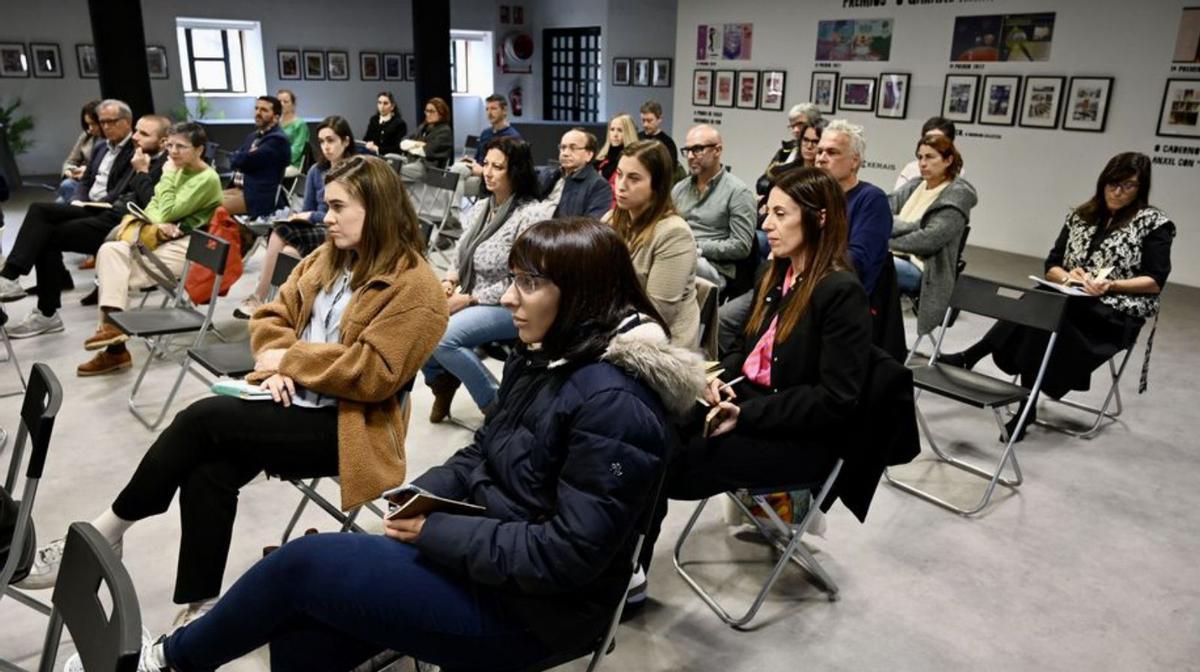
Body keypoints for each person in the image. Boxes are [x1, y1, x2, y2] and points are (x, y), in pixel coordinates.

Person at [101, 218, 703, 672]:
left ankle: (162, 663)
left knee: (300, 567)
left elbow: (568, 556)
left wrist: (437, 532)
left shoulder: (615, 403)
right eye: (512, 280)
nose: (509, 298)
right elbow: (481, 454)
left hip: (537, 613)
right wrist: (424, 496)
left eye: (529, 283)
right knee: (304, 628)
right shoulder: (546, 360)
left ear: (582, 296)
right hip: (486, 562)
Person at [20, 156, 449, 636]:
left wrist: (288, 361)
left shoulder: (417, 287)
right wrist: (277, 360)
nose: (324, 217)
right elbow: (269, 316)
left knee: (202, 419)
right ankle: (200, 604)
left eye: (336, 206)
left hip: (348, 430)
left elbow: (373, 373)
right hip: (287, 400)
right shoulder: (329, 257)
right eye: (326, 206)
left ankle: (106, 530)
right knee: (209, 472)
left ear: (378, 209)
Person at [638, 167, 873, 585]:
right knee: (651, 429)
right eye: (769, 212)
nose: (767, 224)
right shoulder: (776, 272)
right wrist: (717, 379)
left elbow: (835, 399)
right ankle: (627, 568)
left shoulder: (840, 292)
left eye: (781, 214)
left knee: (674, 463)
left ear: (819, 219)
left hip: (804, 438)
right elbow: (744, 353)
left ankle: (627, 574)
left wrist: (745, 415)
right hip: (753, 405)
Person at [938, 153, 1174, 441]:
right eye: (1112, 184)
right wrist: (1067, 278)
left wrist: (1110, 285)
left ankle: (974, 356)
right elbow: (1052, 265)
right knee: (1045, 309)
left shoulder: (1153, 224)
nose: (1117, 191)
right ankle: (1025, 405)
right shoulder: (1081, 216)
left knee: (1045, 311)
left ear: (1141, 188)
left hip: (1114, 314)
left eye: (1128, 186)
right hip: (1071, 300)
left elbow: (1155, 281)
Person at [1, 115, 170, 338]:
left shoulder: (164, 165)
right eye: (137, 131)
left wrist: (141, 172)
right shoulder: (140, 153)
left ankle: (44, 311)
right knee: (39, 210)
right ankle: (11, 279)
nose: (136, 137)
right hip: (110, 209)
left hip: (124, 224)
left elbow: (154, 207)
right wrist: (97, 202)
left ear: (164, 140)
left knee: (46, 236)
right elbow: (115, 187)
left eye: (144, 134)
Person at [76, 122, 224, 376]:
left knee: (115, 271)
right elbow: (153, 209)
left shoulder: (206, 178)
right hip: (165, 240)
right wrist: (162, 218)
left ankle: (115, 349)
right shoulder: (179, 169)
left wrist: (166, 180)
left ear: (199, 150)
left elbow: (163, 211)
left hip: (191, 248)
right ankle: (113, 331)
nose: (173, 152)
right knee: (111, 250)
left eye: (181, 146)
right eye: (170, 145)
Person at [424, 137, 555, 422]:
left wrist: (470, 298)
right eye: (486, 164)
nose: (488, 172)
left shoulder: (530, 214)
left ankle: (496, 405)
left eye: (499, 167)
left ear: (516, 171)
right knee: (420, 323)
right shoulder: (482, 206)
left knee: (443, 338)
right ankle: (441, 383)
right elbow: (461, 254)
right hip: (470, 294)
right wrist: (449, 281)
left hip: (510, 304)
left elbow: (520, 278)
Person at [234, 115, 357, 319]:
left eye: (331, 140)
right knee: (288, 250)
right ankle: (281, 307)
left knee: (282, 236)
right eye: (322, 141)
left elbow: (349, 214)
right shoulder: (316, 171)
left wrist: (312, 216)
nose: (326, 147)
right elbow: (308, 207)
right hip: (317, 227)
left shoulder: (356, 170)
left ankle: (261, 297)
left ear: (345, 141)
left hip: (340, 230)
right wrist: (302, 217)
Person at [608, 139, 699, 347]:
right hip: (617, 329)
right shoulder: (612, 219)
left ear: (656, 186)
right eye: (619, 175)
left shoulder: (674, 234)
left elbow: (655, 315)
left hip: (659, 349)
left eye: (634, 178)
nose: (621, 185)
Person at [889, 134, 977, 336]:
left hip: (925, 269)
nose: (922, 163)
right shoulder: (915, 184)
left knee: (867, 261)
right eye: (920, 157)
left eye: (930, 157)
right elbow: (882, 211)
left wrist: (884, 239)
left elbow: (928, 240)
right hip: (895, 256)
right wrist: (912, 226)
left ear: (948, 160)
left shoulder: (957, 194)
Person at [671, 124, 756, 291]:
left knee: (674, 268)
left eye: (697, 149)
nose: (689, 156)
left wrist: (697, 247)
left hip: (713, 267)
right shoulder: (679, 189)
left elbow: (741, 246)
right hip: (679, 254)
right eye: (687, 150)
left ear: (717, 150)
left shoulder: (738, 192)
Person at [446, 94, 522, 225]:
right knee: (455, 171)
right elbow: (479, 158)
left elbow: (511, 171)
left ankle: (452, 219)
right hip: (477, 173)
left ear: (504, 111)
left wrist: (483, 170)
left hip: (491, 179)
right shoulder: (485, 133)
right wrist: (470, 161)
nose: (489, 113)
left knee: (450, 183)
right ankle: (452, 217)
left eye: (493, 108)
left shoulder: (512, 137)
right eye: (487, 109)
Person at [222, 96, 291, 218]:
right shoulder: (253, 136)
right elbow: (234, 160)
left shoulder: (278, 140)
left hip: (259, 196)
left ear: (276, 117)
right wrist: (243, 156)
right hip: (240, 188)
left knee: (213, 208)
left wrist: (242, 157)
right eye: (256, 108)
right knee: (203, 201)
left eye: (264, 110)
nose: (258, 113)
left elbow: (242, 160)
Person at [539, 128, 611, 219]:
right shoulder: (549, 175)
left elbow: (591, 226)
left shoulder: (599, 186)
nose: (565, 153)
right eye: (563, 147)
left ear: (589, 154)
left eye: (573, 148)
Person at [396, 97, 455, 184]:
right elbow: (403, 143)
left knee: (394, 172)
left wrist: (413, 146)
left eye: (432, 111)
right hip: (411, 161)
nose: (428, 114)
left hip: (428, 167)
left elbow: (426, 151)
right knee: (389, 160)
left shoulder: (445, 131)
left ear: (441, 113)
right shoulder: (423, 126)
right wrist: (418, 144)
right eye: (427, 111)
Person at [54, 99, 102, 203]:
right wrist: (70, 171)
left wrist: (87, 172)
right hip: (80, 181)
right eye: (87, 124)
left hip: (96, 185)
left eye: (94, 124)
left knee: (65, 190)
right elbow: (70, 161)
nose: (90, 128)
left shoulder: (112, 140)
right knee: (62, 196)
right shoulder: (86, 136)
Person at [894, 116, 957, 190]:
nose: (923, 164)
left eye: (938, 140)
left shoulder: (959, 176)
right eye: (927, 138)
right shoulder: (911, 169)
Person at [596, 113, 639, 197]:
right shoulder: (601, 158)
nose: (615, 135)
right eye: (612, 129)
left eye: (620, 130)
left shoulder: (633, 159)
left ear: (628, 132)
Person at [638, 100, 679, 174]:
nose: (645, 125)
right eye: (643, 120)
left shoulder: (668, 143)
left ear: (659, 119)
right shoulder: (637, 138)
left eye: (649, 121)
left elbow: (670, 170)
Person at [363, 91, 407, 157]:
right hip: (373, 156)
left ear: (392, 106)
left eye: (385, 103)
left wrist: (378, 149)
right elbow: (366, 139)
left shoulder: (399, 123)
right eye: (379, 103)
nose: (382, 106)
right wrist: (368, 144)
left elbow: (397, 148)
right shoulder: (374, 120)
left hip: (390, 158)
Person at [276, 89, 310, 171]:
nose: (282, 104)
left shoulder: (300, 124)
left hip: (292, 165)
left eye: (285, 101)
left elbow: (296, 151)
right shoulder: (274, 124)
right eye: (279, 101)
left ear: (293, 104)